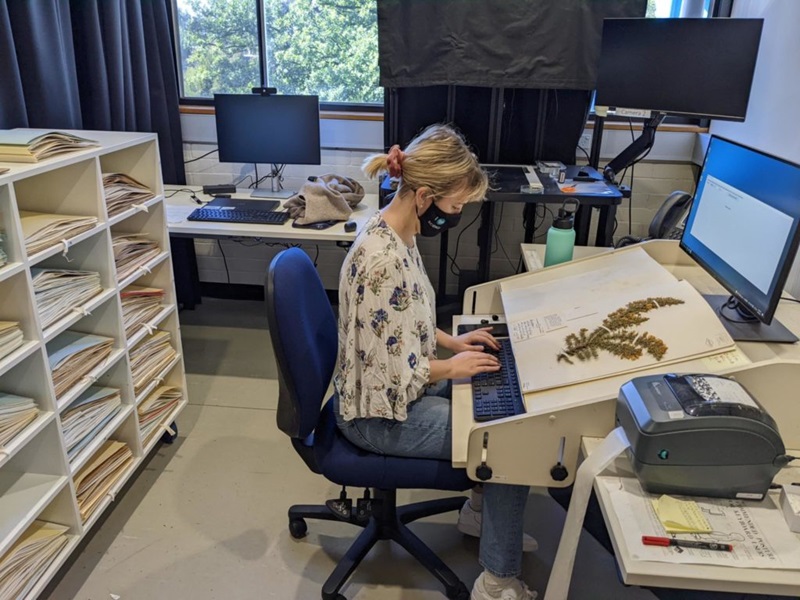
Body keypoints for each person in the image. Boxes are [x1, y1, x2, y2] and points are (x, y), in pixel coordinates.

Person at [333, 124, 536, 600]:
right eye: (456, 205)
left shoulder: (399, 233)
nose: (458, 213)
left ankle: (482, 517)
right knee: (506, 441)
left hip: (395, 389)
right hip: (376, 415)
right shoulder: (381, 260)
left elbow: (409, 321)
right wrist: (452, 368)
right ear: (425, 195)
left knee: (500, 400)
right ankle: (498, 582)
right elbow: (396, 370)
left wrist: (456, 343)